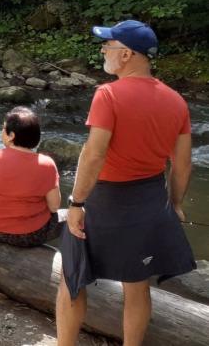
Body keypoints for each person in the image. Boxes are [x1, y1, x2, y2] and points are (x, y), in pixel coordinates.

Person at [56, 20, 194, 346]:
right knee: (137, 285)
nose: (103, 50)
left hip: (103, 201)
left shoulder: (108, 95)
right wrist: (174, 203)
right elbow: (182, 164)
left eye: (108, 45)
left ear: (127, 54)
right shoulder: (176, 101)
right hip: (149, 198)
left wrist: (76, 203)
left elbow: (94, 154)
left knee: (73, 279)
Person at [0, 106, 62, 247]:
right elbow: (54, 206)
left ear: (12, 136)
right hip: (27, 235)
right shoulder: (47, 164)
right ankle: (71, 261)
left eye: (3, 129)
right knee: (73, 215)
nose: (1, 132)